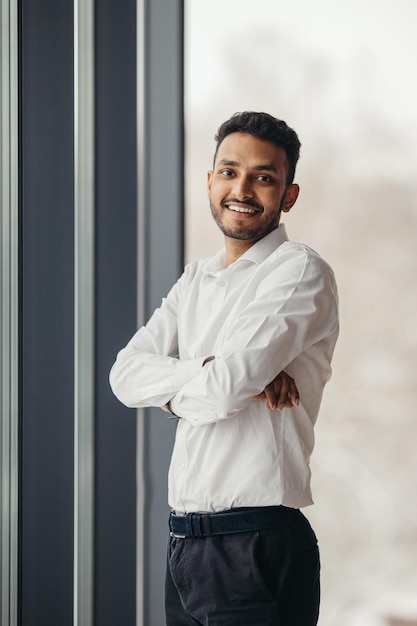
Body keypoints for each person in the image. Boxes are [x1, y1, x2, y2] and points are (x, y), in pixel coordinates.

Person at [109, 111, 339, 625]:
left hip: (254, 545)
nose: (243, 188)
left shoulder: (299, 270)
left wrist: (200, 380)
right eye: (230, 171)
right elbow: (124, 376)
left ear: (289, 195)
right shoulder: (196, 279)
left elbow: (222, 393)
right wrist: (206, 368)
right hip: (186, 547)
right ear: (210, 180)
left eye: (264, 176)